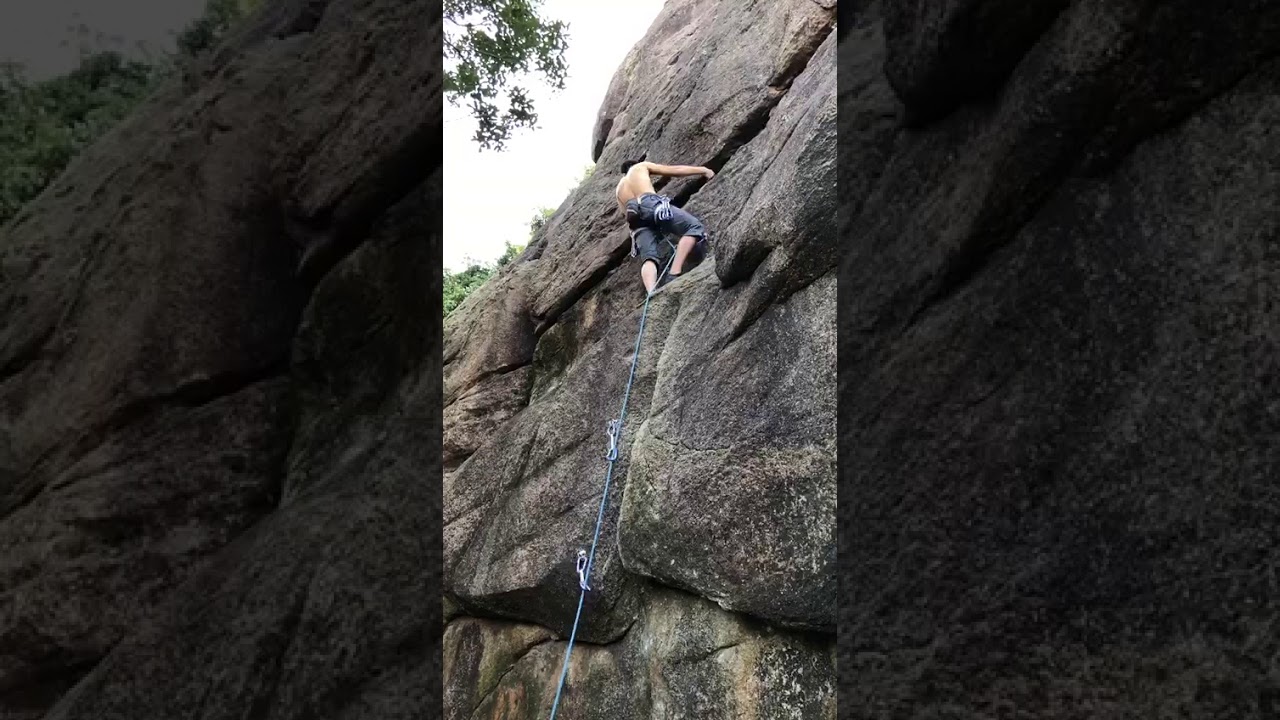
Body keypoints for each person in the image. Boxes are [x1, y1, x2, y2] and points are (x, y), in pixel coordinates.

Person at [615, 159, 714, 293]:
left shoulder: (619, 190)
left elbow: (626, 215)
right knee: (693, 228)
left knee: (649, 257)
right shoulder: (640, 167)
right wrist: (703, 170)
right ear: (633, 165)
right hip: (650, 203)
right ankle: (674, 273)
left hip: (635, 220)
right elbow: (674, 170)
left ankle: (651, 292)